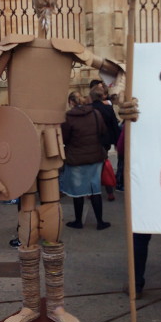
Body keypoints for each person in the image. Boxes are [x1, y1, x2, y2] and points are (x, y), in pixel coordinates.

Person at [0, 0, 137, 322]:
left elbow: (115, 73)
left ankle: (57, 304)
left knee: (52, 220)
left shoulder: (69, 48)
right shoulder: (12, 46)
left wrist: (123, 101)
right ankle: (30, 305)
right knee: (27, 223)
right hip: (19, 139)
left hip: (50, 143)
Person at [60, 94, 110, 231]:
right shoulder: (95, 113)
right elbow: (103, 131)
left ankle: (78, 221)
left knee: (78, 191)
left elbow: (64, 138)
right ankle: (100, 221)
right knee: (95, 189)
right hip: (95, 157)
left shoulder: (68, 117)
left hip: (76, 158)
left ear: (71, 102)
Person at [89, 84, 120, 201]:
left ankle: (92, 192)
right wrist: (117, 142)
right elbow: (114, 125)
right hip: (105, 142)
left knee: (93, 167)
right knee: (104, 165)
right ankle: (109, 192)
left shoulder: (88, 108)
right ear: (102, 96)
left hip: (92, 141)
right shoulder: (107, 108)